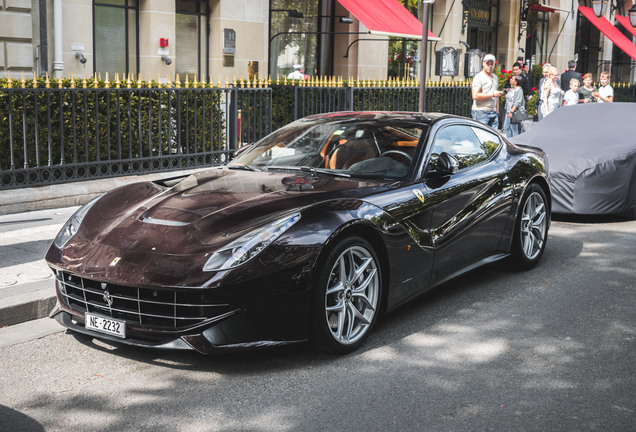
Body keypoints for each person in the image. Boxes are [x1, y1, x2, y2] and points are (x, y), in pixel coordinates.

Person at [471, 54, 503, 129]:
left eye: (492, 64)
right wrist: (492, 95)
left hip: (493, 112)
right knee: (481, 137)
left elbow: (496, 96)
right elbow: (475, 95)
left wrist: (497, 111)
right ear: (483, 63)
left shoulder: (495, 77)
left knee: (493, 138)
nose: (490, 66)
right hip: (481, 112)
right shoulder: (479, 77)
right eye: (487, 63)